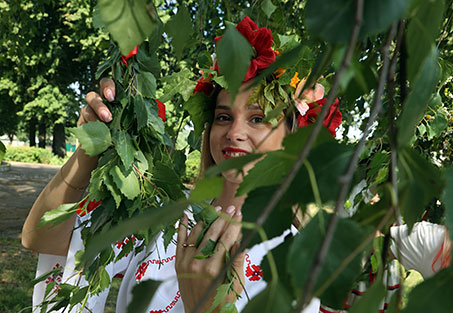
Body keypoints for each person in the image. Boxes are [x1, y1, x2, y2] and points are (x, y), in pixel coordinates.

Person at [22, 17, 335, 313]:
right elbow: (40, 237)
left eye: (258, 118)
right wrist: (88, 155)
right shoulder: (163, 218)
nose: (234, 133)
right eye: (224, 117)